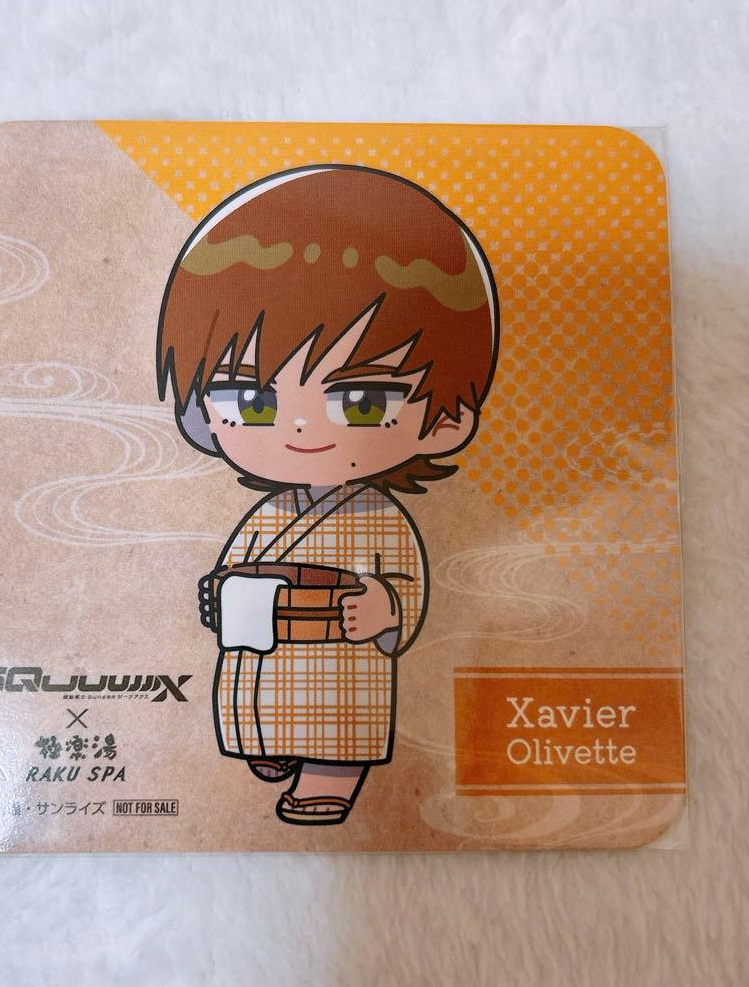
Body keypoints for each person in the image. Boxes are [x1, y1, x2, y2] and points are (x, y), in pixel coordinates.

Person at [157, 165, 498, 825]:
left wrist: (388, 606)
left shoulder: (381, 520)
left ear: (446, 419)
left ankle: (330, 781)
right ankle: (270, 743)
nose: (302, 430)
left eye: (363, 402)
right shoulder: (269, 514)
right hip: (268, 645)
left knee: (338, 718)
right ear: (204, 416)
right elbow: (235, 567)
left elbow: (408, 584)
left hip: (341, 653)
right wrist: (223, 594)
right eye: (252, 403)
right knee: (266, 704)